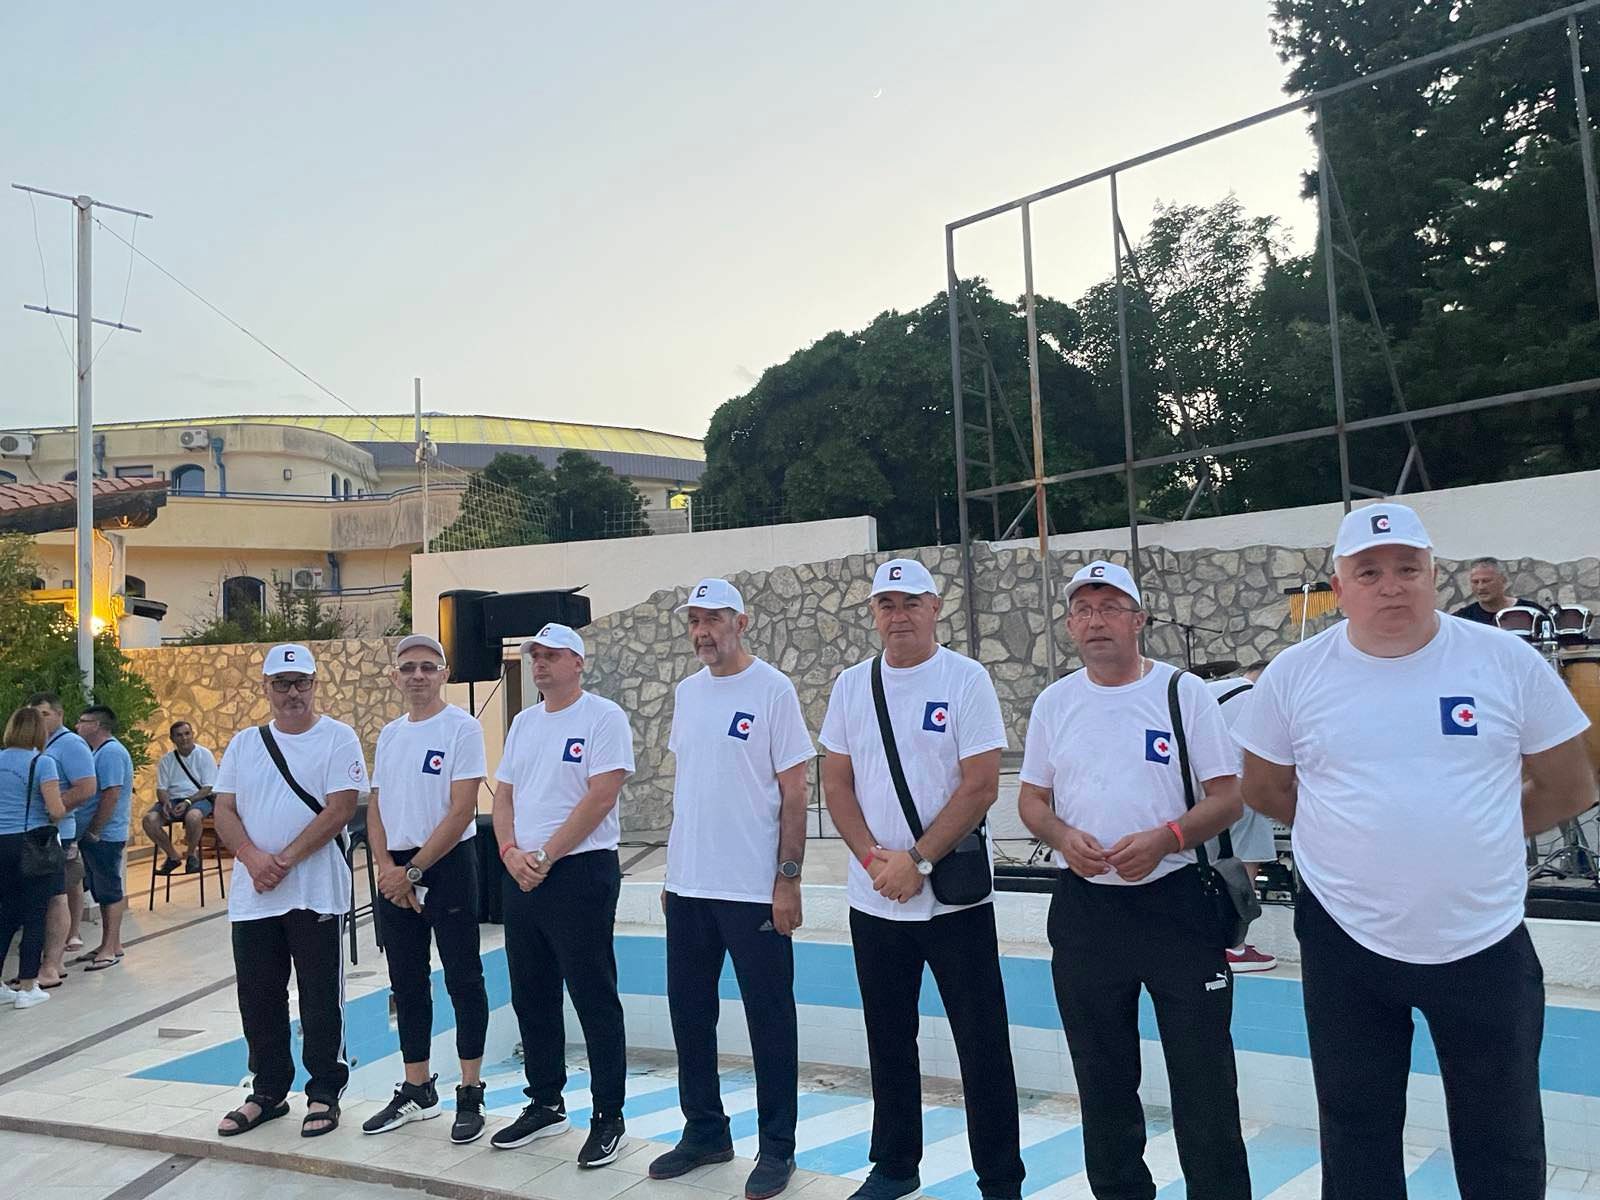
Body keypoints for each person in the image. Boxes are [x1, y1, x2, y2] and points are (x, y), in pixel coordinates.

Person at [1237, 502, 1597, 1200]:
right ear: (1339, 588)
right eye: (1368, 572)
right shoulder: (1295, 674)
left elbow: (1570, 784)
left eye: (1407, 568)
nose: (1390, 585)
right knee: (1357, 1134)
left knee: (1503, 1138)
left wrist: (1480, 831)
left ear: (1435, 576)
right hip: (1346, 938)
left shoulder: (1505, 660)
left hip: (1483, 937)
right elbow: (1265, 787)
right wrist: (1353, 834)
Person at [1017, 560, 1251, 1200]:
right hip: (1088, 913)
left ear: (1138, 619)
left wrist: (1167, 838)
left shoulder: (1183, 693)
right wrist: (1062, 837)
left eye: (1110, 608)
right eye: (1083, 610)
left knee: (1204, 1081)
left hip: (1178, 908)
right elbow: (1032, 799)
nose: (1096, 621)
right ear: (1070, 625)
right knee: (1102, 1080)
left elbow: (1229, 798)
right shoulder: (1056, 703)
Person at [820, 558, 1024, 1200]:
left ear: (935, 608)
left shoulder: (966, 679)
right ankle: (895, 1166)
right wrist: (873, 861)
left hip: (954, 902)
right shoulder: (851, 686)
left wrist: (919, 860)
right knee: (888, 1039)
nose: (899, 615)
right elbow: (835, 783)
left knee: (982, 1044)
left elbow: (981, 785)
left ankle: (1000, 1179)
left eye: (911, 603)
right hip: (875, 899)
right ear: (873, 613)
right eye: (887, 604)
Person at [649, 579, 814, 1200]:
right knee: (691, 1016)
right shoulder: (687, 693)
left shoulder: (773, 689)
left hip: (753, 891)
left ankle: (777, 1147)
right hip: (690, 887)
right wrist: (673, 873)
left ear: (740, 623)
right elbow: (690, 788)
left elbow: (795, 792)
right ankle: (705, 1132)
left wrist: (788, 879)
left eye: (713, 619)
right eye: (694, 620)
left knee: (770, 1020)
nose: (702, 631)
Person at [490, 623, 635, 1168]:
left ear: (577, 662)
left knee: (593, 994)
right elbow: (504, 795)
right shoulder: (524, 723)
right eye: (535, 656)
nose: (540, 664)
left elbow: (601, 796)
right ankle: (545, 1102)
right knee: (531, 994)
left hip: (579, 872)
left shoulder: (603, 717)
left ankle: (608, 1116)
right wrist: (509, 852)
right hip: (523, 874)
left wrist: (546, 856)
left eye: (551, 656)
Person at [211, 643, 366, 1139]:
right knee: (259, 996)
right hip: (254, 894)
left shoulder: (338, 738)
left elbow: (341, 808)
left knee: (320, 996)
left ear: (314, 685)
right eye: (282, 683)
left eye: (301, 682)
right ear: (267, 688)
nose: (292, 692)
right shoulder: (245, 744)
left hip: (315, 891)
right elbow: (223, 809)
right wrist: (252, 858)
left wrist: (284, 860)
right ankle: (268, 1091)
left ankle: (324, 1091)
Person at [362, 634, 491, 1145]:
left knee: (463, 977)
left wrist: (412, 872)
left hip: (446, 865)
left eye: (428, 667)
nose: (418, 675)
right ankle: (417, 1088)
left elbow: (462, 810)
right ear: (395, 676)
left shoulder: (462, 728)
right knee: (407, 981)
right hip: (396, 870)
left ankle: (470, 1090)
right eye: (409, 667)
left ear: (444, 674)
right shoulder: (391, 735)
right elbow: (376, 806)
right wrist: (386, 869)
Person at [1205, 661, 1277, 973]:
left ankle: (1205, 939)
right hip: (1240, 787)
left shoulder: (1209, 690)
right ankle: (1234, 945)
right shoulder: (1261, 699)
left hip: (1200, 790)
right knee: (1246, 861)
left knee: (1205, 865)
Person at [25, 693, 96, 989]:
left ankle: (52, 964)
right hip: (35, 832)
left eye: (44, 714)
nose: (39, 721)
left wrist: (54, 809)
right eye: (34, 715)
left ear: (59, 714)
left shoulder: (71, 745)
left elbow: (86, 787)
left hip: (58, 831)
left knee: (57, 896)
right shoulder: (36, 745)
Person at [0, 706, 67, 1009]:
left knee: (6, 914)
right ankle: (28, 986)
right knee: (35, 914)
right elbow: (55, 810)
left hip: (2, 843)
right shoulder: (42, 762)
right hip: (31, 844)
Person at [74, 705, 134, 972]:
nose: (77, 726)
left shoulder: (110, 753)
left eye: (82, 721)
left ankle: (109, 947)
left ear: (96, 725)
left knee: (109, 888)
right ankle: (111, 944)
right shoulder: (99, 752)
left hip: (105, 835)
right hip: (99, 833)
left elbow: (111, 793)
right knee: (101, 887)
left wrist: (95, 829)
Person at [142, 720, 219, 876]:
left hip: (198, 798)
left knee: (193, 817)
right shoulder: (167, 760)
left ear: (192, 734)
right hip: (174, 799)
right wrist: (165, 802)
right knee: (149, 820)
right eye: (179, 735)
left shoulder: (204, 754)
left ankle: (191, 855)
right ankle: (173, 856)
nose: (184, 738)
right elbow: (162, 788)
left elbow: (208, 787)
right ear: (172, 739)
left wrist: (188, 802)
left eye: (187, 734)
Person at [1451, 556, 1535, 626]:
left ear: (1503, 580)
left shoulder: (1530, 613)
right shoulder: (1462, 619)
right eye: (1475, 582)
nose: (1480, 587)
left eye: (1486, 581)